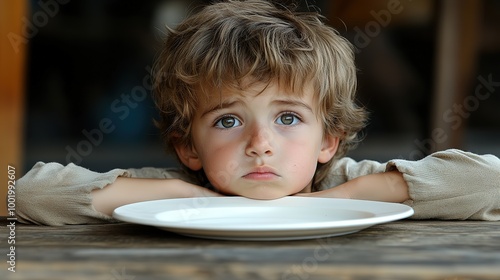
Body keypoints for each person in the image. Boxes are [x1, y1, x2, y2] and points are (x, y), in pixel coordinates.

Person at [16, 0, 500, 226]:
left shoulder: (344, 181)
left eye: (288, 118)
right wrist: (176, 193)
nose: (260, 143)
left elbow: (488, 181)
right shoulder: (174, 196)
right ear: (188, 146)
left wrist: (356, 196)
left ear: (327, 140)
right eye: (228, 120)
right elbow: (29, 195)